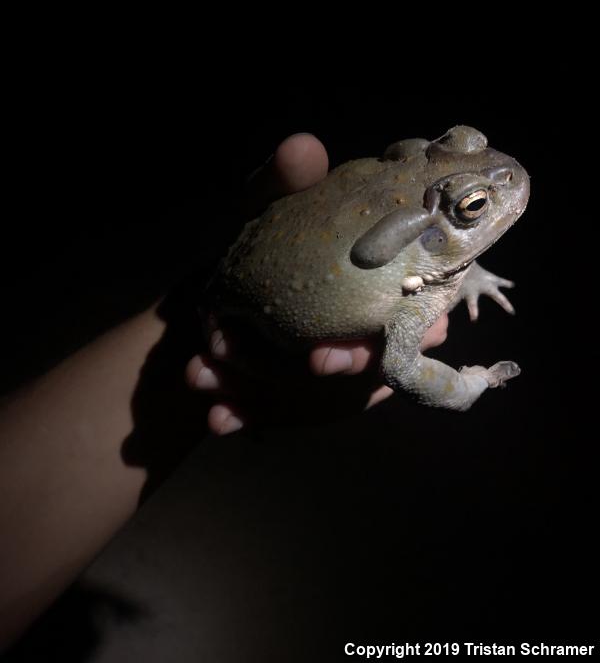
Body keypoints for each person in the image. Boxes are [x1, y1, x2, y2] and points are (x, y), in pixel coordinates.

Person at [0, 134, 447, 650]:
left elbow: (447, 248)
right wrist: (471, 384)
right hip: (268, 306)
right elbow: (404, 364)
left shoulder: (426, 236)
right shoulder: (423, 242)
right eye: (474, 204)